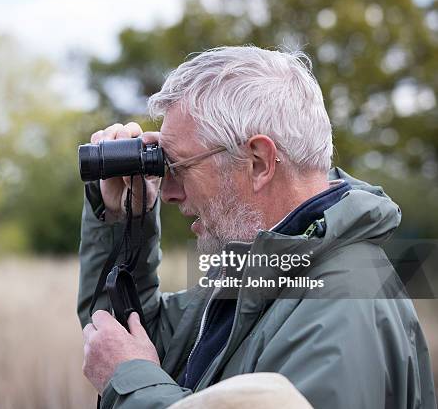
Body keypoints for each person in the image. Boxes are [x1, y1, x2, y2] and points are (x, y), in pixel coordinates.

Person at [77, 46, 436, 409]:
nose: (168, 192)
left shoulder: (341, 310)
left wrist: (130, 382)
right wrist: (120, 214)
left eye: (180, 167)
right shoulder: (267, 270)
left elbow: (135, 369)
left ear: (259, 162)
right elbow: (135, 339)